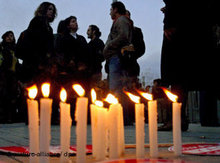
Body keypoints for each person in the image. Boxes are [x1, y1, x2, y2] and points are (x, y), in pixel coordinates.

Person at [160, 0, 219, 130]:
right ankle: (207, 117)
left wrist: (170, 19)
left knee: (178, 73)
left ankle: (178, 118)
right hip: (201, 23)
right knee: (201, 71)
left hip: (181, 28)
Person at [103, 1, 133, 125]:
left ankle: (119, 117)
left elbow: (123, 36)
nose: (110, 12)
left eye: (111, 9)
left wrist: (109, 46)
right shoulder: (120, 21)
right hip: (115, 58)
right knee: (117, 88)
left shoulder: (121, 20)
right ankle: (121, 117)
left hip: (117, 58)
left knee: (116, 88)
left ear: (115, 9)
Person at [16, 2, 57, 85]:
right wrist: (39, 58)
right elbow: (33, 42)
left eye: (53, 10)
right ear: (43, 9)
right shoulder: (37, 21)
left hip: (42, 64)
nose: (51, 12)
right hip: (33, 63)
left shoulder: (49, 28)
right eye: (49, 9)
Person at [60, 16, 89, 123]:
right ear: (68, 25)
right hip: (70, 71)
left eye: (76, 21)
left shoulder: (81, 39)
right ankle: (70, 117)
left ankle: (82, 116)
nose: (76, 23)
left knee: (81, 94)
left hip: (82, 72)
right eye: (73, 22)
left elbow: (87, 53)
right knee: (70, 94)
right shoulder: (64, 38)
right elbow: (62, 53)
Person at [0, 31, 20, 123]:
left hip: (13, 75)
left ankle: (11, 116)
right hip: (3, 74)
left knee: (12, 95)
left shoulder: (14, 50)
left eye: (11, 36)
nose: (9, 38)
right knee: (4, 95)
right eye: (7, 36)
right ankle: (4, 116)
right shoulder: (2, 48)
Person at [86, 25, 105, 89]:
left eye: (89, 30)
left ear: (94, 32)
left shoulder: (99, 42)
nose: (87, 32)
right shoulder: (89, 44)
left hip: (95, 72)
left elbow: (103, 56)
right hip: (89, 73)